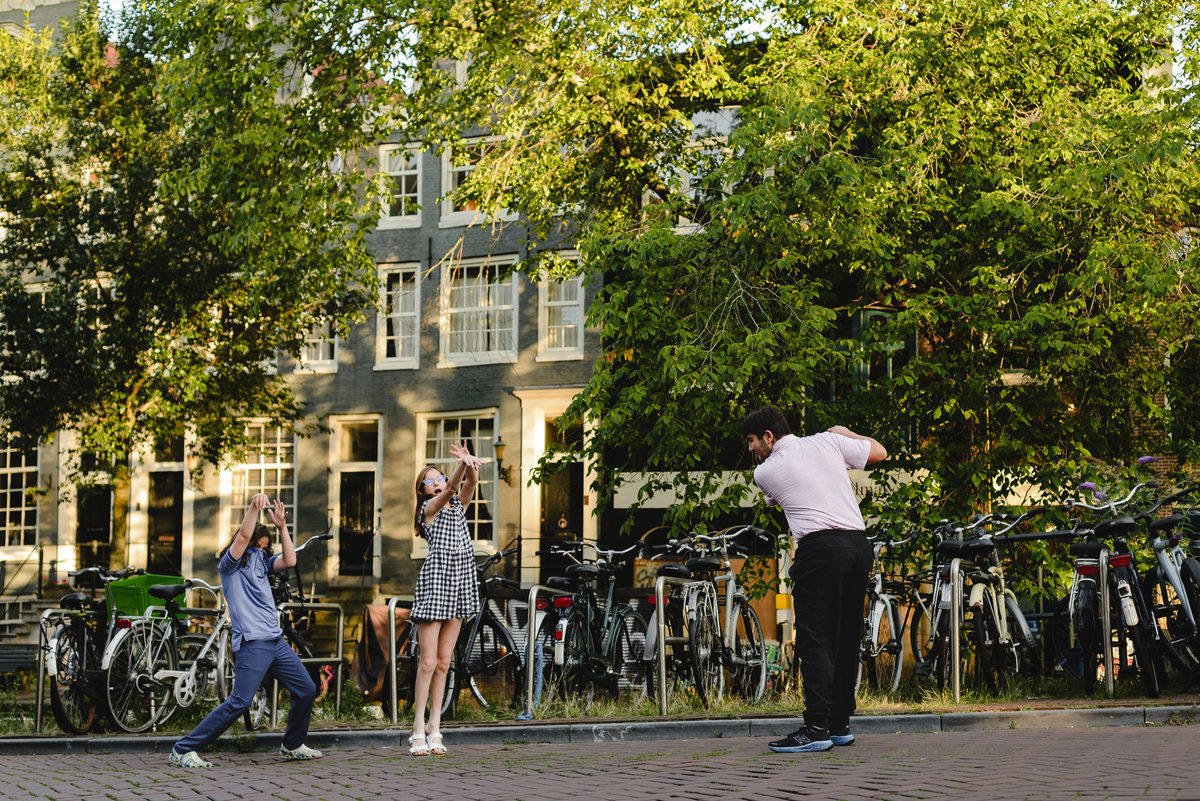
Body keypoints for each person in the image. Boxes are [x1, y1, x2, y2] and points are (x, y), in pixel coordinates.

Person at [742, 406, 887, 754]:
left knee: (815, 640)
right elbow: (880, 451)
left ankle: (817, 728)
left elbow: (779, 497)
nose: (750, 450)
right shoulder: (829, 441)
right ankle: (839, 725)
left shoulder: (766, 471)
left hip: (820, 549)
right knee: (846, 636)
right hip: (857, 545)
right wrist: (846, 434)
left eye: (751, 441)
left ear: (768, 437)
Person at [169, 493, 322, 768]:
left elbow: (289, 561)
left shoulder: (263, 564)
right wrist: (253, 508)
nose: (260, 552)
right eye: (257, 546)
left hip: (274, 640)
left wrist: (282, 527)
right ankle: (184, 748)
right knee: (240, 701)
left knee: (307, 689)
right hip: (252, 642)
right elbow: (241, 538)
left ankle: (292, 744)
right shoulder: (229, 566)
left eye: (264, 548)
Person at [408, 440, 482, 756]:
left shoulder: (457, 508)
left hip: (461, 578)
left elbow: (469, 486)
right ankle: (416, 729)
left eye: (439, 477)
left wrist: (470, 466)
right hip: (437, 579)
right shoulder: (428, 510)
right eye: (431, 480)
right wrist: (461, 465)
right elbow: (453, 488)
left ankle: (435, 726)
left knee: (444, 661)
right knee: (426, 661)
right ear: (423, 490)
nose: (437, 483)